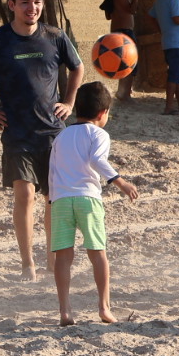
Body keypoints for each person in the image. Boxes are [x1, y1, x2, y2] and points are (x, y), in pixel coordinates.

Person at [0, 0, 85, 281]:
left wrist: (69, 101)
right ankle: (28, 264)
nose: (32, 8)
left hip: (54, 132)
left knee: (53, 200)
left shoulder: (55, 36)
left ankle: (53, 261)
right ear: (12, 5)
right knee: (25, 195)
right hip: (16, 133)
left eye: (37, 2)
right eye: (25, 2)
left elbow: (77, 67)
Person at [49, 82, 139, 325]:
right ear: (103, 113)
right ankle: (104, 307)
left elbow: (52, 170)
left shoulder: (61, 135)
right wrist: (121, 182)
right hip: (88, 198)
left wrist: (52, 199)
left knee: (63, 257)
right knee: (98, 253)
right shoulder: (99, 134)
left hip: (60, 200)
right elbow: (97, 159)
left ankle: (65, 311)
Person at [101, 0, 140, 101]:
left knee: (124, 63)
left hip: (117, 31)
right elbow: (132, 10)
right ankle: (125, 94)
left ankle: (123, 91)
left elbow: (108, 16)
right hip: (125, 32)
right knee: (129, 63)